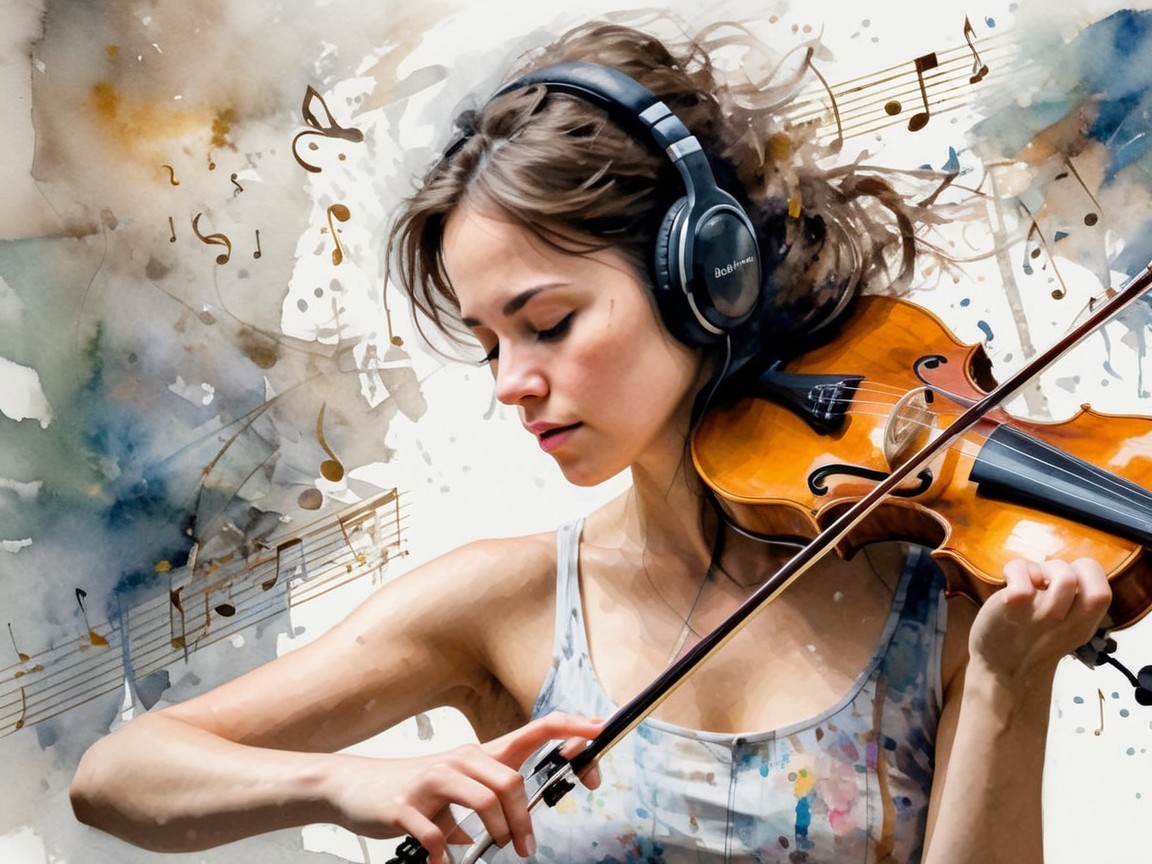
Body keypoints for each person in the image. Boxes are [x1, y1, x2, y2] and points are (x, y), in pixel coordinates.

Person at [69, 18, 1113, 864]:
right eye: (489, 342)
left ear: (702, 276)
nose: (514, 384)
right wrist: (346, 782)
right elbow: (120, 778)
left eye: (550, 322)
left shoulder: (939, 596)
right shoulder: (508, 603)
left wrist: (1007, 683)